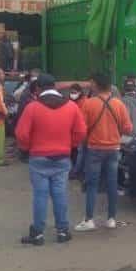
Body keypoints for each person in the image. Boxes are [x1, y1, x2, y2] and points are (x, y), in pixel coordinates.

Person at [16, 74, 87, 246]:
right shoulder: (71, 107)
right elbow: (81, 131)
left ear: (38, 89)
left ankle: (38, 234)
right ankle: (62, 231)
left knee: (40, 195)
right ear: (55, 87)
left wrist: (27, 148)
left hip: (38, 157)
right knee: (60, 194)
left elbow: (21, 133)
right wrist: (70, 145)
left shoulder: (32, 108)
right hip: (62, 156)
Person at [75, 72, 133, 232]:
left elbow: (81, 129)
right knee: (112, 184)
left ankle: (89, 220)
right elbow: (128, 128)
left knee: (92, 184)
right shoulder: (119, 104)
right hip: (114, 149)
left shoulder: (88, 104)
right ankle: (111, 219)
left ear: (96, 84)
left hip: (94, 149)